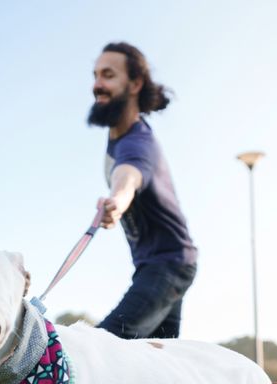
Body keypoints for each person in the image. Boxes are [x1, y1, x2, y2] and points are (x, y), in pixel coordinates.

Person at [88, 42, 197, 339]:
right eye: (95, 75)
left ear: (135, 84)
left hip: (168, 265)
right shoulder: (119, 138)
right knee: (158, 363)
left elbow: (130, 176)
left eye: (108, 75)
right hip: (158, 265)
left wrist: (118, 202)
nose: (97, 85)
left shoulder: (137, 141)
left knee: (102, 347)